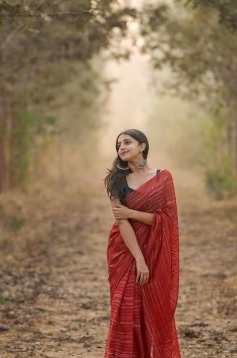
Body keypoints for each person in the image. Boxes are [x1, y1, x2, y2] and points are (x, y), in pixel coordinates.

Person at [103, 129, 181, 358]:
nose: (122, 148)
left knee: (153, 307)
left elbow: (167, 221)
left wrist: (131, 212)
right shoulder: (116, 180)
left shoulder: (162, 178)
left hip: (157, 249)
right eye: (119, 145)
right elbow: (122, 221)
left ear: (142, 146)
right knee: (124, 308)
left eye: (127, 142)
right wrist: (139, 259)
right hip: (125, 250)